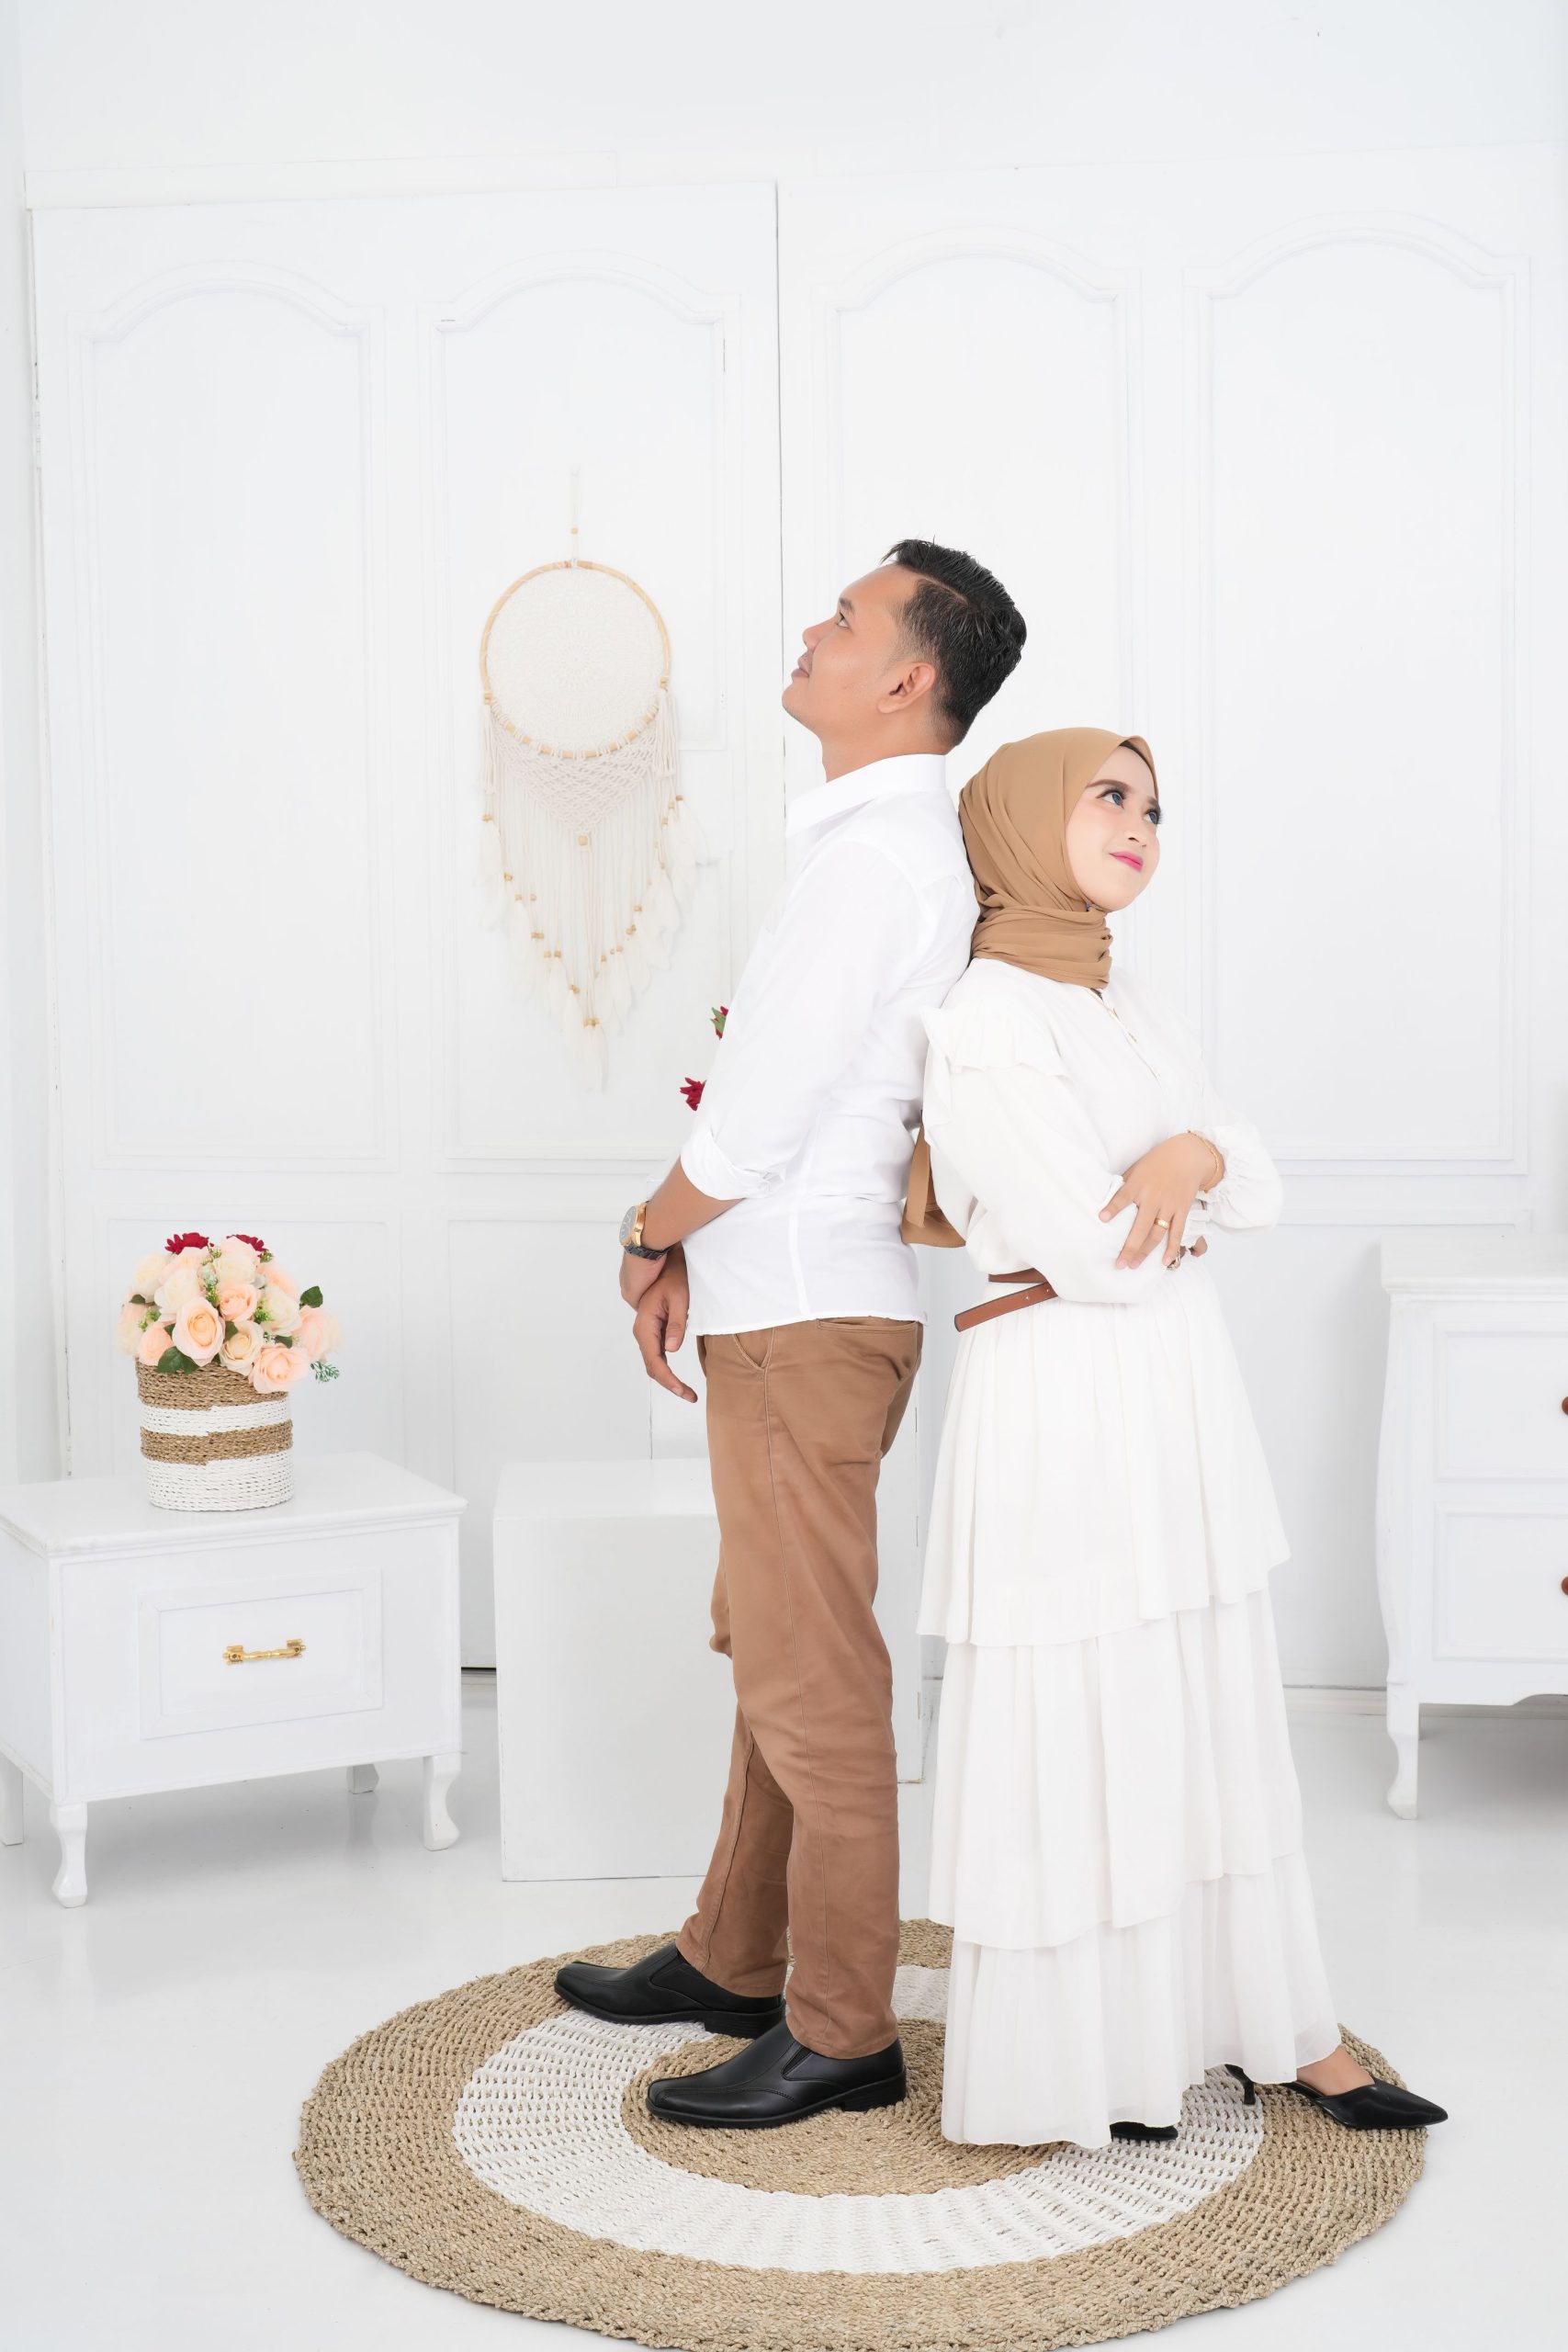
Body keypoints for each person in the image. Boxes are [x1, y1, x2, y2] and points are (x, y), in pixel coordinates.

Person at [908, 727, 1448, 2147]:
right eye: (1109, 796)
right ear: (1023, 820)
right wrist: (1178, 1185)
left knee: (1201, 1703)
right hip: (1063, 1396)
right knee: (1084, 1712)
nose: (1141, 823)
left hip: (1171, 1389)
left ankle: (1277, 2027)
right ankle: (1092, 2061)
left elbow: (1252, 1179)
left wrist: (1187, 1159)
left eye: (1154, 805)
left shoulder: (1122, 995)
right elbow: (1099, 1259)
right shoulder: (987, 1018)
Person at [554, 540, 1027, 2128]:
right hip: (801, 1305)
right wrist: (693, 1247)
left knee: (814, 1681)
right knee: (779, 1643)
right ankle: (733, 1955)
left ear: (908, 677)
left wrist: (648, 1232)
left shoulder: (875, 861)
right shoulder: (879, 850)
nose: (811, 631)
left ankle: (841, 2031)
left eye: (845, 616)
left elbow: (757, 1121)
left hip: (805, 1315)